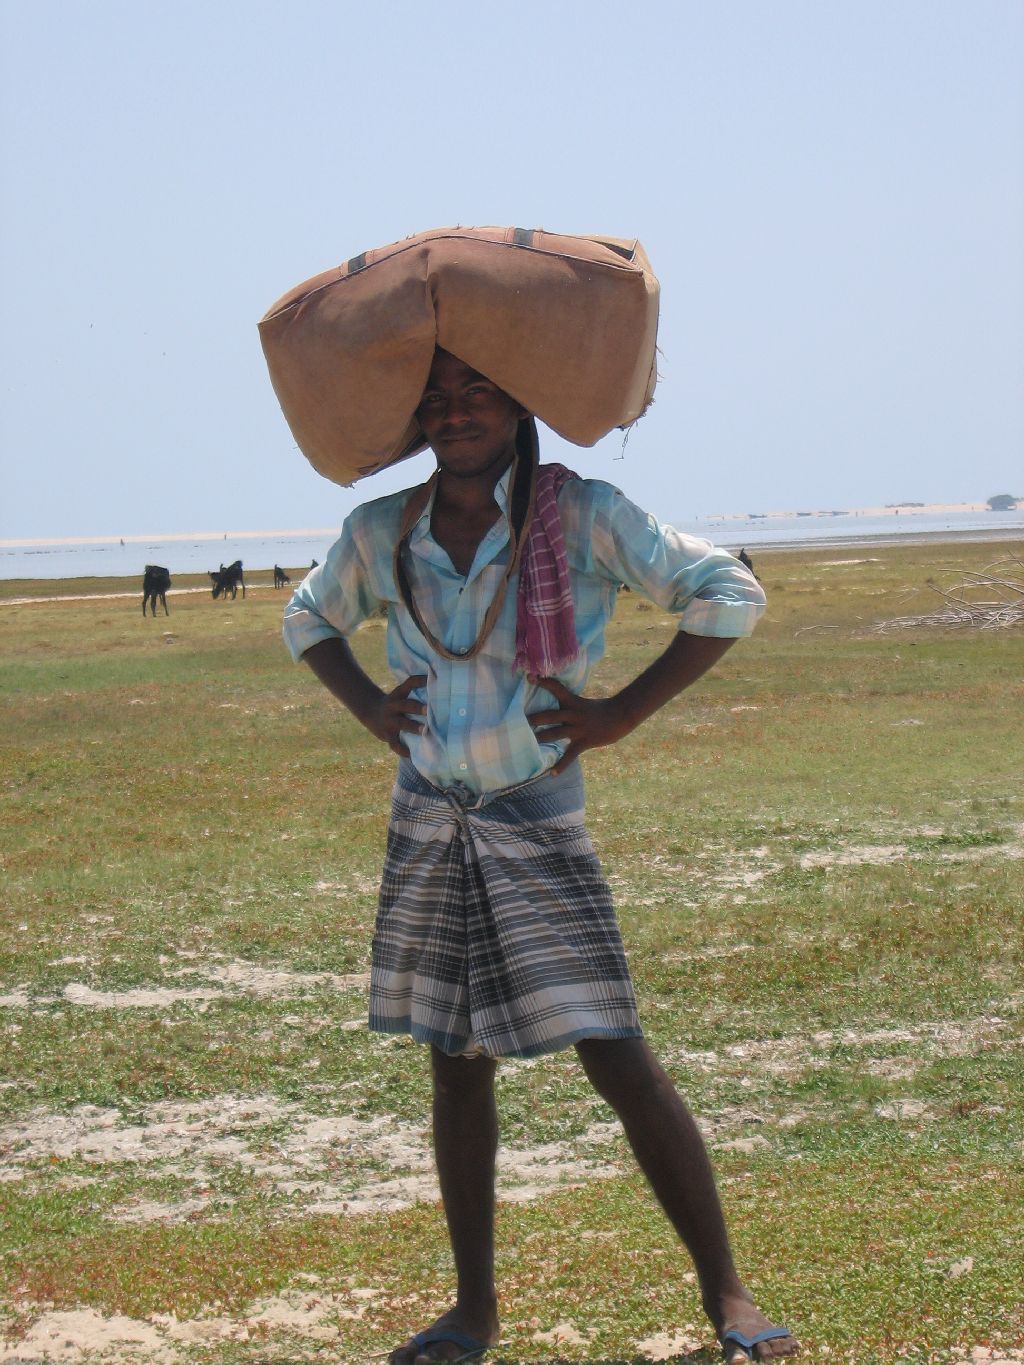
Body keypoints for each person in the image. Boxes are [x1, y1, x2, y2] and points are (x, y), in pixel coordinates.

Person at [282, 349, 798, 1364]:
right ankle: (472, 1312)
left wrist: (620, 713)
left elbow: (725, 591)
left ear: (520, 402)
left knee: (614, 1047)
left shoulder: (581, 514)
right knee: (455, 1062)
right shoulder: (382, 530)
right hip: (432, 814)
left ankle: (729, 1295)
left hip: (535, 811)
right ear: (416, 419)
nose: (456, 412)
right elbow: (307, 617)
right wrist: (370, 707)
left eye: (477, 391)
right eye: (436, 398)